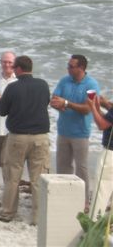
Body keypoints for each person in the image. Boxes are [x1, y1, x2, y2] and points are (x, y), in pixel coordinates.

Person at [0, 55, 50, 224]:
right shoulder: (43, 85)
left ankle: (8, 212)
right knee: (38, 178)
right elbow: (45, 103)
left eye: (14, 67)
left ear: (18, 69)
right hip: (40, 137)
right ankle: (38, 217)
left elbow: (2, 111)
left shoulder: (13, 87)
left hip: (18, 137)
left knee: (12, 177)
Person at [50, 54, 100, 209]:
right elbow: (54, 99)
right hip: (63, 131)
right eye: (68, 65)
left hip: (81, 133)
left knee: (81, 168)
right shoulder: (64, 81)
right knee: (63, 167)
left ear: (81, 68)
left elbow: (87, 109)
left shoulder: (91, 85)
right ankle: (64, 197)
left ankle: (84, 201)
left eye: (71, 66)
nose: (68, 69)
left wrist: (66, 103)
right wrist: (57, 104)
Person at [86, 93, 112, 216]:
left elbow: (102, 125)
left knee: (101, 192)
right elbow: (108, 121)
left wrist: (92, 107)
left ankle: (95, 222)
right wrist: (97, 108)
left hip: (110, 154)